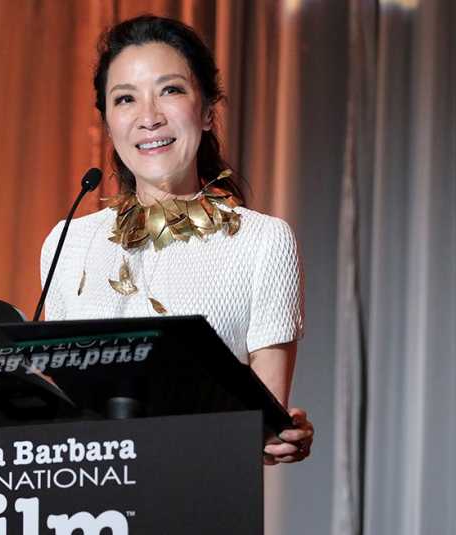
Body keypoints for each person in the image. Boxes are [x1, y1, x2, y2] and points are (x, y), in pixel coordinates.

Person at [40, 15, 314, 464]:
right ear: (108, 123)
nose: (148, 117)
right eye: (125, 98)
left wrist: (283, 434)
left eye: (170, 90)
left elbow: (263, 423)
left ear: (207, 111)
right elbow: (58, 415)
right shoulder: (67, 242)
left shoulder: (263, 242)